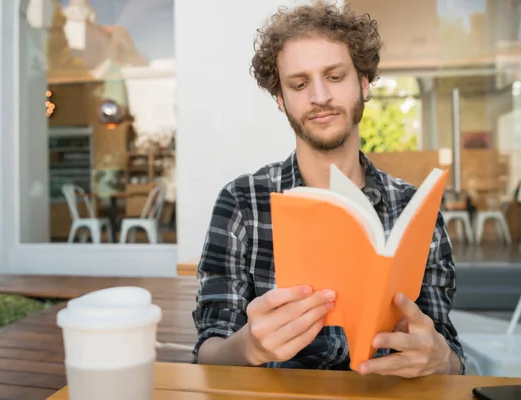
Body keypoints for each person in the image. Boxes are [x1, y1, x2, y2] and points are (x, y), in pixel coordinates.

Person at [191, 1, 465, 378]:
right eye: (299, 84)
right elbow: (208, 353)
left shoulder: (415, 208)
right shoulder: (241, 202)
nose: (319, 96)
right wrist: (250, 345)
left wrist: (443, 360)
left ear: (364, 83)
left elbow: (447, 351)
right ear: (280, 99)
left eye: (335, 77)